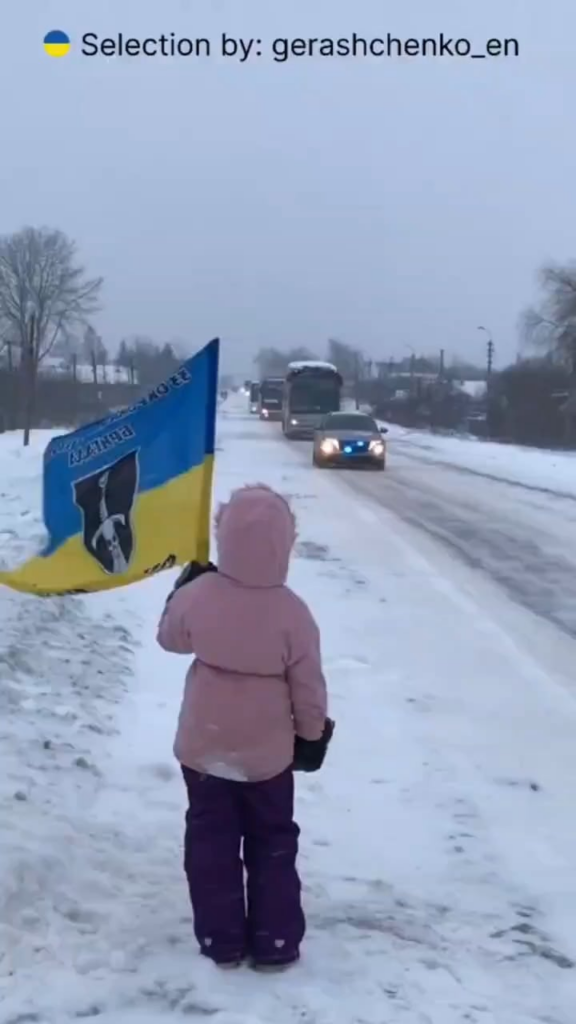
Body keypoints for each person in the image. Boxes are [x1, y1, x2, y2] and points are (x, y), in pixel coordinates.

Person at [157, 484, 330, 971]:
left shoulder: (201, 594)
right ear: (285, 544)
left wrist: (183, 587)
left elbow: (170, 639)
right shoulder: (293, 613)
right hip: (267, 755)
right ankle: (275, 941)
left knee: (210, 842)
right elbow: (309, 687)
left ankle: (221, 939)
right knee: (272, 840)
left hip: (205, 744)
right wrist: (311, 736)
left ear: (222, 535)